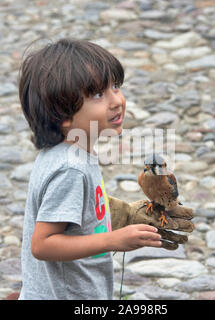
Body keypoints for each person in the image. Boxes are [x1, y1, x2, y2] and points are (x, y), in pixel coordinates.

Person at [17, 38, 194, 300]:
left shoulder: (68, 153)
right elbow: (43, 245)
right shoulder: (71, 168)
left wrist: (122, 215)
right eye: (99, 94)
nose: (116, 101)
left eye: (115, 86)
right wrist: (114, 240)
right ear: (63, 115)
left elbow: (69, 206)